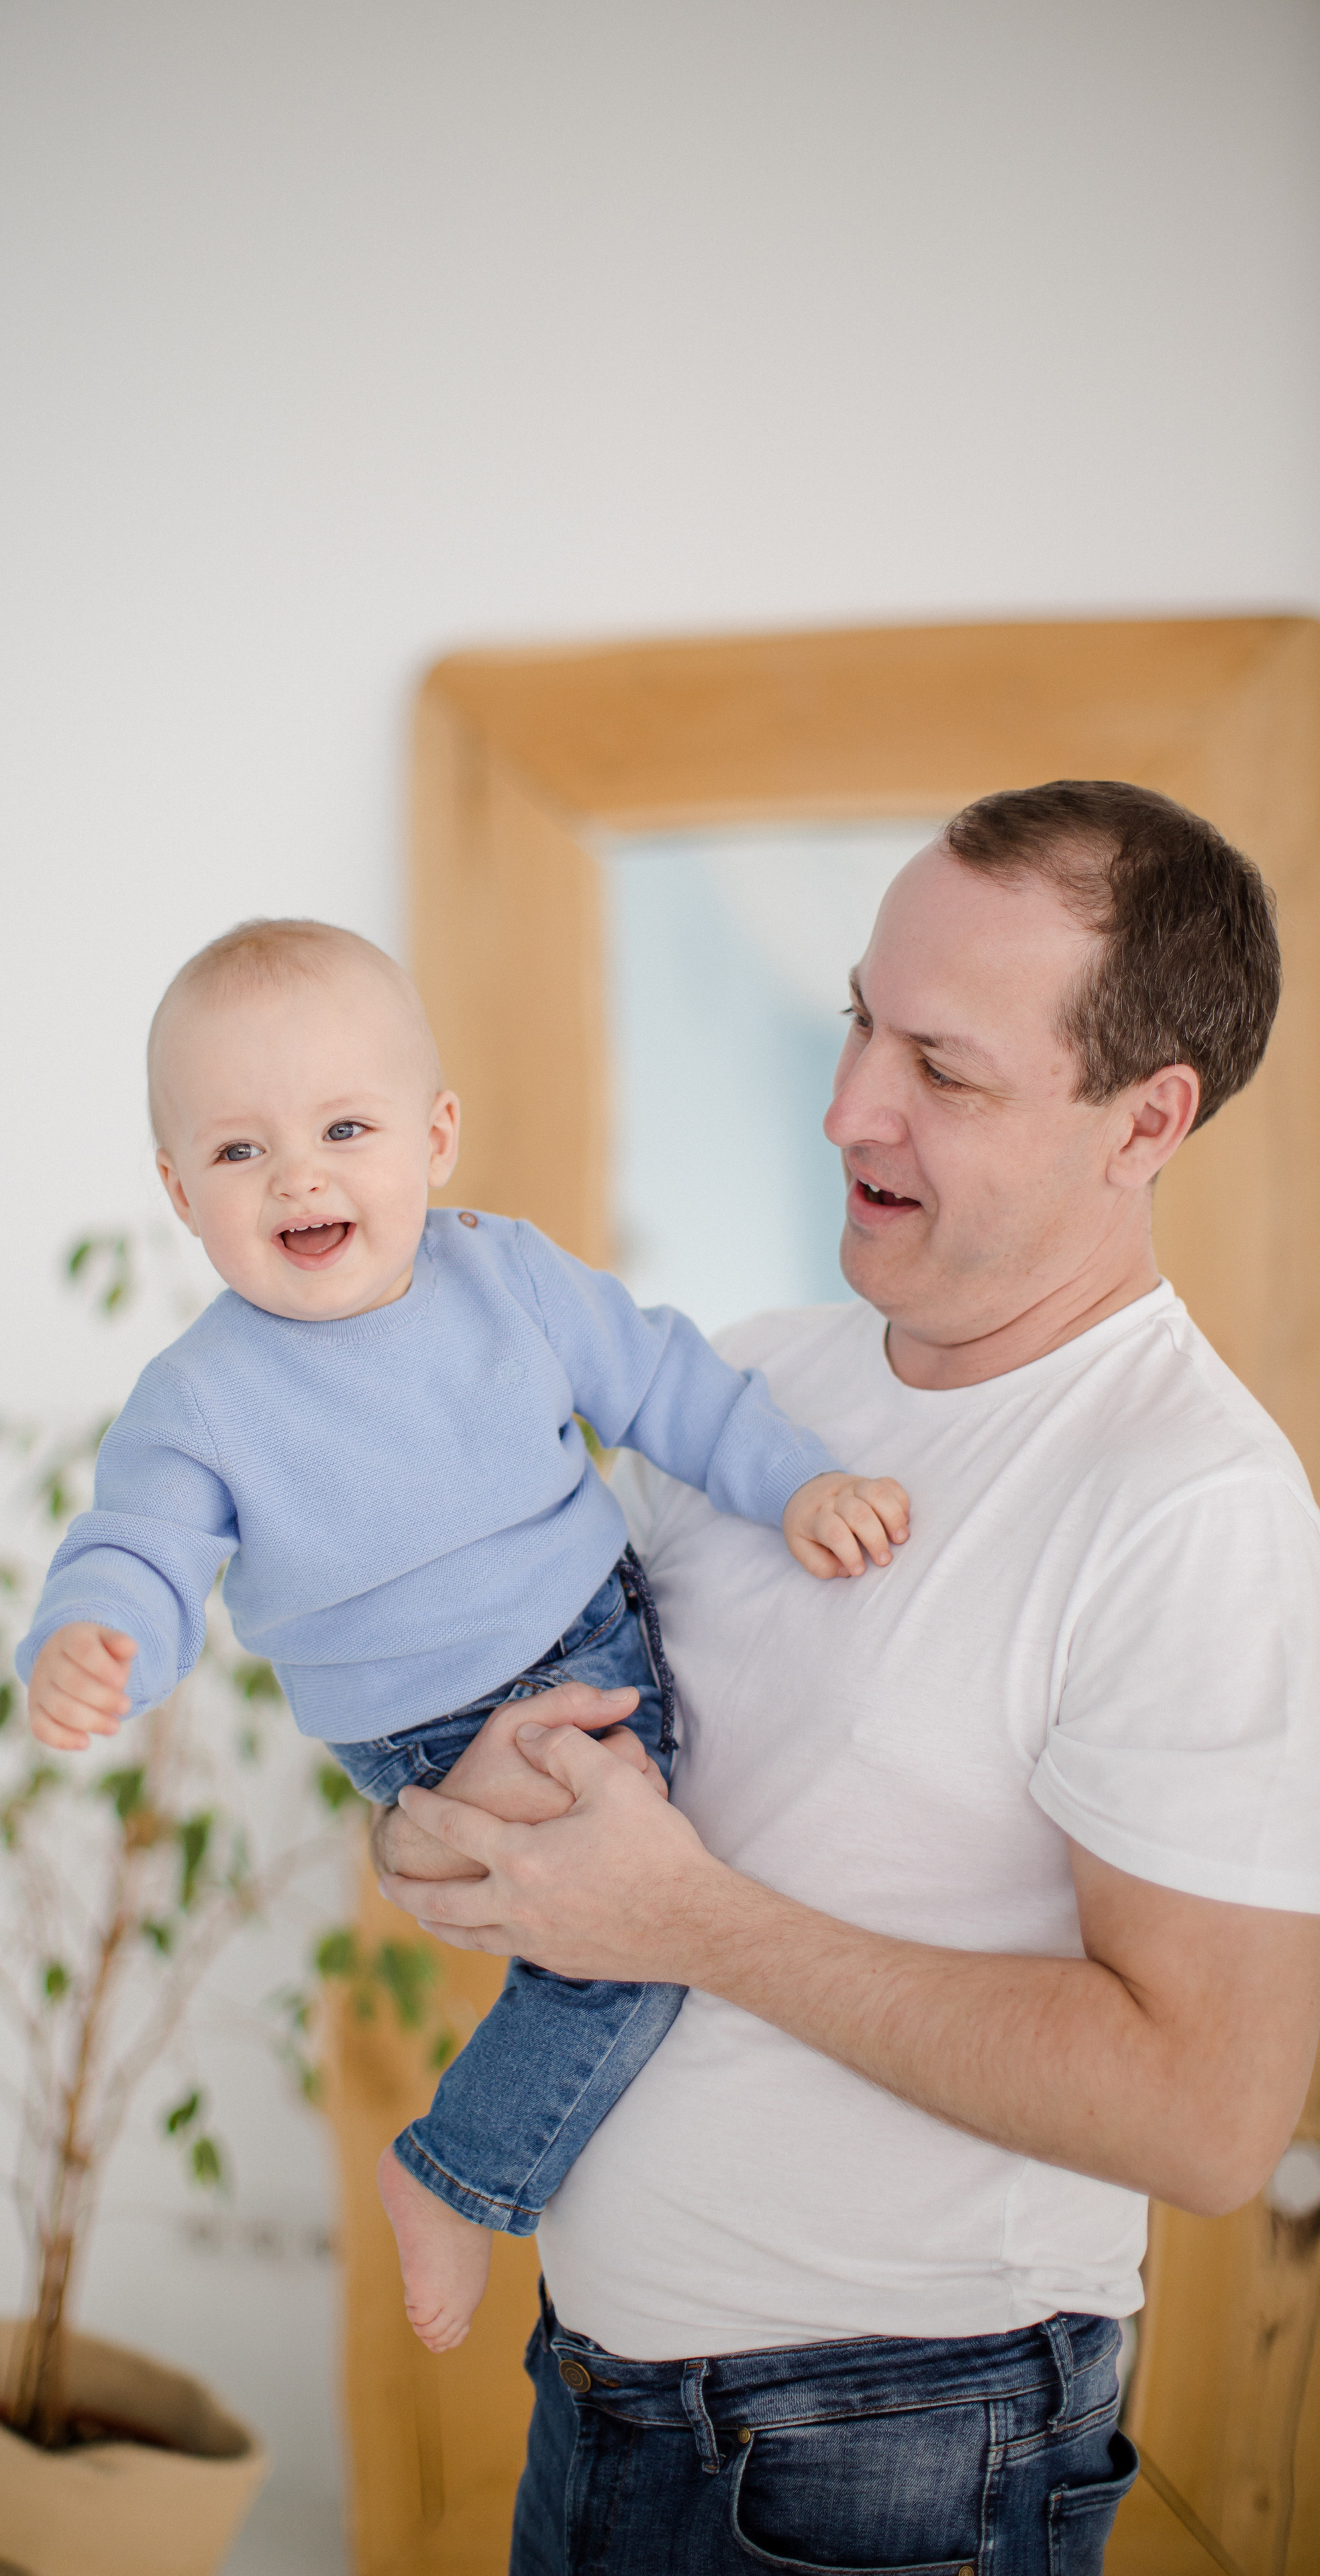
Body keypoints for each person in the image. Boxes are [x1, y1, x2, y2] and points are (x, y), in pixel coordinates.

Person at [374, 782, 1320, 2576]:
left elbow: (1208, 2114)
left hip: (890, 2470)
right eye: (857, 1022)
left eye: (943, 1072)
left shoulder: (1190, 1504)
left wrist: (693, 1921)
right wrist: (444, 1831)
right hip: (598, 2403)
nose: (847, 1110)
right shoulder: (753, 1378)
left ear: (1148, 1118)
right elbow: (562, 1775)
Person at [12, 918, 909, 2351]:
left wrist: (796, 1481)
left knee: (628, 1929)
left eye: (343, 1127)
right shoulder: (198, 1398)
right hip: (425, 1729)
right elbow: (138, 1545)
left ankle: (477, 2168)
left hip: (591, 1643)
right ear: (179, 1194)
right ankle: (459, 2174)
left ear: (433, 1137)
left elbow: (667, 1388)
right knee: (625, 1945)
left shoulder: (508, 1276)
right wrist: (96, 1636)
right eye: (238, 1154)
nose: (297, 1174)